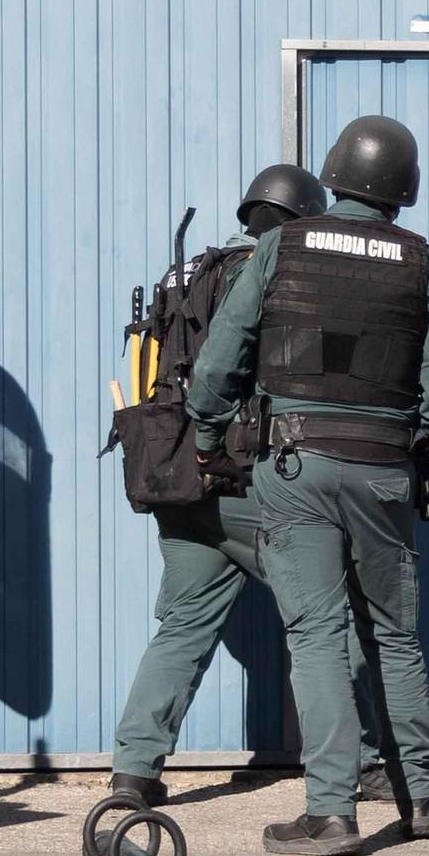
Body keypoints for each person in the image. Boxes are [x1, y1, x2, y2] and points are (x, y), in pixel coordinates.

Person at [187, 116, 429, 854]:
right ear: (403, 189)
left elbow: (220, 364)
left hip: (294, 464)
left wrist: (212, 439)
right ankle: (420, 800)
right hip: (383, 472)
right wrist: (416, 444)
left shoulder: (283, 246)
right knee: (396, 637)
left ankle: (332, 813)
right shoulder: (424, 264)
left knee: (317, 635)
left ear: (335, 171)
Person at [110, 163, 342, 805]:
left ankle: (134, 770)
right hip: (244, 474)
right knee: (328, 613)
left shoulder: (187, 274)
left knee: (183, 623)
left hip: (175, 476)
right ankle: (369, 763)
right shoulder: (274, 274)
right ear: (301, 222)